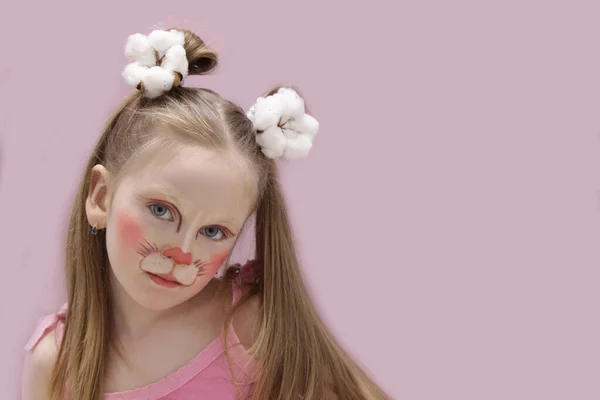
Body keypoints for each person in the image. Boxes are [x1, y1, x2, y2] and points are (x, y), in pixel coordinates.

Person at [21, 27, 390, 400]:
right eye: (161, 210)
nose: (181, 252)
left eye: (213, 232)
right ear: (101, 197)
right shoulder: (55, 363)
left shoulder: (252, 329)